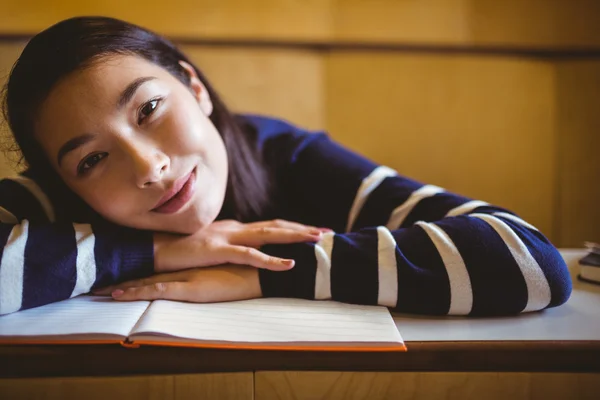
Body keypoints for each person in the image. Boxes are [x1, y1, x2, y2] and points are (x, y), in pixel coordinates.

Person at [0, 16, 571, 317]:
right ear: (62, 180)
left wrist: (262, 270)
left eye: (149, 109)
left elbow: (530, 261)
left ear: (194, 87)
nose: (149, 166)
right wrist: (156, 253)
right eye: (92, 159)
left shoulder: (290, 156)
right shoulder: (59, 201)